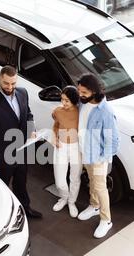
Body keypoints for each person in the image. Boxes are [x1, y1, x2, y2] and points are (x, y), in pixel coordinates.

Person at [0, 65, 42, 218]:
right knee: (1, 187)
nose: (10, 87)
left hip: (21, 151)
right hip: (3, 155)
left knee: (21, 183)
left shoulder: (22, 93)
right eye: (6, 83)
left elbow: (28, 114)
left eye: (13, 83)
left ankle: (25, 209)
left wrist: (31, 129)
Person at [76, 74, 120, 238]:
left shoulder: (105, 111)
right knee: (92, 181)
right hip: (85, 151)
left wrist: (102, 159)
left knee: (101, 187)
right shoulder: (83, 102)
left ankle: (106, 220)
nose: (80, 95)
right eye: (79, 91)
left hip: (98, 157)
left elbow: (114, 140)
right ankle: (94, 206)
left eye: (84, 92)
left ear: (94, 91)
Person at [51, 86, 82, 218]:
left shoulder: (81, 112)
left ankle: (71, 202)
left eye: (67, 101)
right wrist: (54, 138)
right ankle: (63, 197)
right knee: (59, 180)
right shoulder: (57, 111)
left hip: (77, 148)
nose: (63, 103)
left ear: (74, 101)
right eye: (62, 99)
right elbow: (56, 125)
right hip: (61, 146)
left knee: (75, 178)